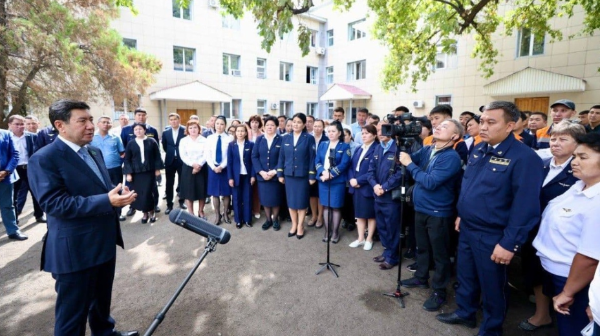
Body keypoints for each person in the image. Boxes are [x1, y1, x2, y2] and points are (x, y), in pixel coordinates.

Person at [28, 99, 138, 336]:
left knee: (101, 304)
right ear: (60, 125)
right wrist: (106, 200)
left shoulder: (93, 151)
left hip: (103, 243)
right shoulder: (44, 158)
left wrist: (118, 193)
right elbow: (54, 204)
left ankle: (105, 333)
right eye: (83, 121)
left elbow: (100, 187)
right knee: (72, 318)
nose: (90, 125)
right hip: (74, 251)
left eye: (90, 119)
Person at [436, 101, 544, 336]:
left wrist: (509, 243)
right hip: (468, 227)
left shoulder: (525, 158)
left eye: (491, 122)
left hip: (494, 234)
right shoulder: (479, 149)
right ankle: (465, 313)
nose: (482, 126)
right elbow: (469, 186)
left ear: (510, 126)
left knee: (493, 286)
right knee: (466, 276)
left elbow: (526, 207)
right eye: (482, 121)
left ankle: (491, 328)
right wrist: (461, 215)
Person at [518, 120, 584, 332]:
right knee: (537, 275)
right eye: (553, 138)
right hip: (536, 232)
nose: (556, 143)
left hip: (565, 239)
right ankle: (542, 314)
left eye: (563, 139)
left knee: (562, 282)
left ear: (578, 144)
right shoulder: (542, 164)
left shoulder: (580, 171)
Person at [533, 132, 600, 335]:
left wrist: (568, 291)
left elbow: (589, 256)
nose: (575, 162)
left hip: (572, 278)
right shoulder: (579, 186)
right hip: (555, 270)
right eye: (575, 156)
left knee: (573, 329)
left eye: (583, 157)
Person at [399, 119, 464, 312]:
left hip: (438, 212)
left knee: (440, 254)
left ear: (454, 137)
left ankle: (439, 291)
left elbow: (430, 182)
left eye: (444, 127)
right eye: (438, 125)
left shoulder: (450, 157)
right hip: (421, 208)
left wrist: (409, 163)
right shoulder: (429, 149)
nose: (438, 127)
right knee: (422, 247)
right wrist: (403, 143)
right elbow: (409, 159)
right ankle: (421, 277)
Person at [367, 123, 403, 270]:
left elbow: (401, 172)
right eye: (378, 130)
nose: (380, 132)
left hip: (390, 197)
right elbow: (370, 171)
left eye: (384, 130)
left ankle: (393, 257)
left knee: (392, 227)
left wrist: (385, 187)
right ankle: (387, 251)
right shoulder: (378, 147)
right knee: (382, 226)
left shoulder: (398, 149)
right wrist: (375, 185)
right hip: (378, 194)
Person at [277, 113, 316, 239]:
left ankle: (300, 225)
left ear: (304, 124)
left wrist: (311, 176)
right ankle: (293, 224)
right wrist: (280, 173)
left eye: (299, 122)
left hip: (303, 175)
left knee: (301, 202)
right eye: (294, 122)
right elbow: (281, 157)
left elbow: (312, 158)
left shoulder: (308, 138)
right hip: (289, 175)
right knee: (291, 202)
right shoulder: (286, 138)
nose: (296, 124)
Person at [315, 121, 351, 243]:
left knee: (335, 207)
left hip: (337, 181)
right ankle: (327, 231)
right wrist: (323, 172)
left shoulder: (344, 146)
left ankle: (335, 232)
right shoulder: (323, 144)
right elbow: (317, 160)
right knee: (325, 206)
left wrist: (331, 174)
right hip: (323, 179)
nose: (330, 133)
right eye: (329, 131)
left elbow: (344, 164)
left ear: (339, 133)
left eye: (333, 131)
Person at [121, 108, 160, 216]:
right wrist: (128, 172)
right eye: (138, 115)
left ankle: (153, 208)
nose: (141, 117)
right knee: (136, 191)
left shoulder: (152, 133)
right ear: (134, 116)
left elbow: (157, 154)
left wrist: (157, 169)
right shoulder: (126, 131)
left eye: (143, 115)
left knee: (150, 191)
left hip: (149, 169)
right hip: (135, 170)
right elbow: (126, 155)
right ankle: (135, 208)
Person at [8, 115, 45, 223]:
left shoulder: (32, 136)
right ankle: (14, 219)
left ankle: (39, 215)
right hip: (14, 169)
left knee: (36, 193)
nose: (20, 126)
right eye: (17, 124)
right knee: (13, 195)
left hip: (29, 169)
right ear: (10, 125)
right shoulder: (7, 137)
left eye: (22, 124)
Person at [348, 124, 378, 251]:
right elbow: (351, 166)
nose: (363, 135)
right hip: (356, 186)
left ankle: (369, 238)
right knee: (359, 214)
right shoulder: (359, 148)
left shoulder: (376, 149)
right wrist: (351, 179)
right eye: (362, 133)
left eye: (367, 133)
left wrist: (359, 180)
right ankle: (360, 238)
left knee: (370, 215)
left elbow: (375, 171)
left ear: (374, 135)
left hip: (367, 186)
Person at [252, 116, 285, 231]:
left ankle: (275, 219)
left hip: (275, 176)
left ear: (276, 126)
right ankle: (268, 219)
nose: (269, 127)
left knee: (275, 199)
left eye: (272, 125)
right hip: (262, 176)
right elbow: (254, 156)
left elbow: (283, 158)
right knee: (265, 199)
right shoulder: (260, 139)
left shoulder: (281, 140)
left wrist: (274, 171)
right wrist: (261, 172)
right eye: (267, 125)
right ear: (264, 127)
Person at [91, 116, 126, 221]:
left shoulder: (116, 137)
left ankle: (118, 213)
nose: (106, 124)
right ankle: (103, 212)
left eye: (108, 122)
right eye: (103, 122)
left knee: (116, 189)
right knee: (100, 191)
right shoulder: (92, 137)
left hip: (115, 168)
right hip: (98, 169)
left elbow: (122, 152)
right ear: (98, 124)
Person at [204, 116, 233, 225]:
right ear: (214, 125)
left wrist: (222, 166)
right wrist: (213, 167)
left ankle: (225, 213)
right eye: (217, 124)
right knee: (214, 193)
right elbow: (207, 155)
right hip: (213, 168)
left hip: (225, 169)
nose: (219, 126)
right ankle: (217, 215)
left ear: (225, 125)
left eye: (222, 124)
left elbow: (229, 155)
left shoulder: (230, 138)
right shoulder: (210, 138)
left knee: (226, 193)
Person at [0, 128, 28, 241]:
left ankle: (13, 231)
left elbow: (15, 154)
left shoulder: (6, 134)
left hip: (5, 177)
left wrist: (6, 171)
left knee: (8, 205)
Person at [178, 120, 208, 219]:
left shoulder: (204, 140)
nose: (193, 130)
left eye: (195, 127)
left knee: (201, 191)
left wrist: (199, 165)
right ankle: (191, 213)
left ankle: (201, 211)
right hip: (188, 168)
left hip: (202, 167)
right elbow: (183, 155)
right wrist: (193, 164)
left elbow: (206, 154)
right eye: (190, 128)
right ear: (187, 130)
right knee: (188, 191)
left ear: (199, 128)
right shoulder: (184, 140)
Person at [227, 125, 255, 228]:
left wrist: (253, 176)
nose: (240, 133)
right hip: (235, 176)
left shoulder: (251, 144)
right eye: (238, 131)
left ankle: (247, 220)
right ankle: (238, 220)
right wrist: (230, 178)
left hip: (247, 176)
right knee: (236, 198)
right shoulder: (231, 145)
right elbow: (229, 163)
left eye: (242, 131)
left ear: (246, 133)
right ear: (235, 133)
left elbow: (253, 162)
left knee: (247, 198)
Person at [161, 113, 187, 214]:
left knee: (182, 182)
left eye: (175, 119)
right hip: (170, 160)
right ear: (169, 121)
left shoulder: (185, 130)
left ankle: (181, 201)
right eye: (171, 120)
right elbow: (164, 146)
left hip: (182, 160)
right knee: (169, 183)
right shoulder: (166, 132)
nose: (173, 121)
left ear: (179, 120)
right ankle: (169, 204)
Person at [308, 119, 326, 228]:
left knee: (320, 195)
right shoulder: (308, 138)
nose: (317, 128)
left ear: (323, 128)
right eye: (315, 126)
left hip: (322, 170)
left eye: (319, 126)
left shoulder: (326, 139)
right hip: (310, 170)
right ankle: (313, 216)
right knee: (312, 195)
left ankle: (320, 217)